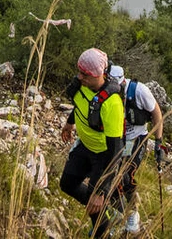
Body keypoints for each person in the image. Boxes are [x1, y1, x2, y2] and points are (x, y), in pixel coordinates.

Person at [60, 48, 126, 238]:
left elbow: (114, 150)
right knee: (67, 183)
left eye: (85, 74)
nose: (80, 77)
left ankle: (102, 231)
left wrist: (101, 190)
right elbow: (81, 104)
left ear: (99, 74)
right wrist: (69, 123)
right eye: (79, 71)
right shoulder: (83, 85)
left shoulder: (112, 103)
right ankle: (105, 211)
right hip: (85, 146)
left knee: (94, 202)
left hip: (103, 155)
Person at [109, 64, 166, 234]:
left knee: (127, 173)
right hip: (116, 138)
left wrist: (158, 142)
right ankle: (116, 213)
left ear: (123, 81)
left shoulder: (139, 91)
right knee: (111, 174)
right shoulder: (107, 91)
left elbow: (156, 113)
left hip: (136, 139)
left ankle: (133, 212)